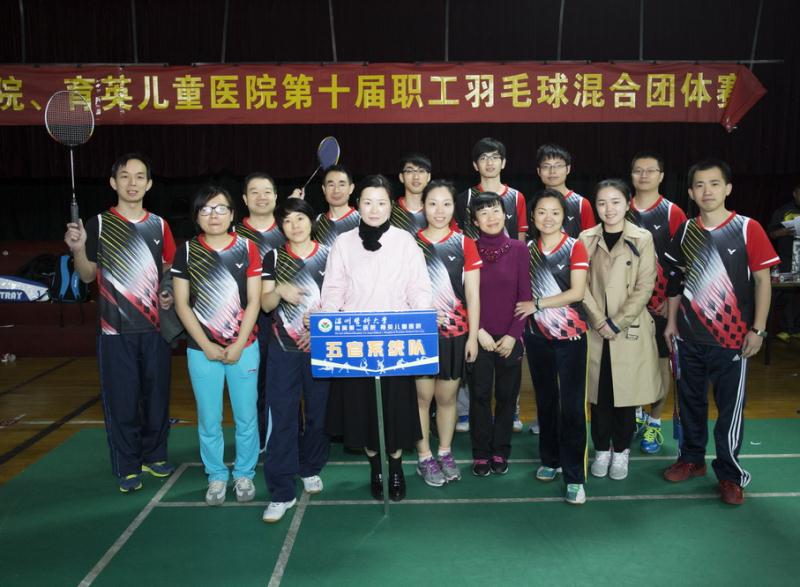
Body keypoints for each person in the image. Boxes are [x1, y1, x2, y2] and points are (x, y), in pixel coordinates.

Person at [663, 159, 779, 505]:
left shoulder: (747, 228)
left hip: (732, 340)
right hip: (688, 337)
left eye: (714, 183)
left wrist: (758, 329)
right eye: (699, 185)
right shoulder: (686, 230)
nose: (707, 191)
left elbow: (763, 282)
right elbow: (675, 281)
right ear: (690, 192)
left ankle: (729, 474)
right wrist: (671, 323)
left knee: (729, 409)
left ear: (728, 188)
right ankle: (692, 459)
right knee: (690, 402)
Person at [63, 153, 175, 493]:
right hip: (114, 331)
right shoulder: (97, 224)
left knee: (157, 398)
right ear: (113, 183)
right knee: (122, 400)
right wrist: (78, 249)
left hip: (155, 329)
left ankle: (155, 454)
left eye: (139, 176)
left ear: (149, 184)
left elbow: (168, 269)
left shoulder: (159, 225)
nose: (132, 183)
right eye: (125, 176)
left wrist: (167, 291)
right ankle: (127, 465)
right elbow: (87, 275)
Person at [322, 175, 433, 502]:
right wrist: (328, 318)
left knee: (395, 409)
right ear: (358, 205)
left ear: (390, 206)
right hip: (356, 344)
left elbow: (418, 287)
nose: (374, 209)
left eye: (381, 202)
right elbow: (333, 289)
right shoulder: (343, 243)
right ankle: (376, 468)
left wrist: (422, 318)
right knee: (363, 412)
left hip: (396, 342)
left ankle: (395, 467)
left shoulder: (405, 241)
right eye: (368, 202)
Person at [172, 186, 262, 506]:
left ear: (232, 214)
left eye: (221, 208)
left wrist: (238, 345)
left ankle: (244, 473)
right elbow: (182, 304)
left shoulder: (248, 248)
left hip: (244, 348)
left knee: (246, 417)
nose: (214, 215)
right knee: (209, 418)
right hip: (202, 351)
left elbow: (254, 302)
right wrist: (206, 345)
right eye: (206, 209)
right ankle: (216, 475)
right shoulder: (186, 251)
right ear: (196, 216)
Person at [580, 179, 660, 482]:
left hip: (628, 328)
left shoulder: (643, 238)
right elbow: (580, 285)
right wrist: (600, 320)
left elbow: (645, 286)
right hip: (596, 329)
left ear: (628, 203)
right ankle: (601, 450)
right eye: (602, 203)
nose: (608, 209)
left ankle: (622, 451)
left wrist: (616, 322)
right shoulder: (586, 238)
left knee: (626, 397)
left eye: (615, 202)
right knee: (599, 396)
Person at [515, 189, 589, 504]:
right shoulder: (526, 250)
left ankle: (575, 477)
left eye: (555, 212)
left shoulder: (575, 247)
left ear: (564, 216)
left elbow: (577, 292)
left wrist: (538, 303)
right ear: (532, 217)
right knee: (545, 402)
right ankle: (550, 459)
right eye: (542, 212)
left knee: (571, 408)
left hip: (571, 338)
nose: (548, 218)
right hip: (537, 338)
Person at [260, 198, 331, 522]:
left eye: (300, 218)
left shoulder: (329, 255)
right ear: (281, 226)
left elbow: (340, 299)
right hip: (283, 351)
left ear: (311, 221)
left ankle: (310, 467)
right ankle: (281, 491)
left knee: (318, 414)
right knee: (283, 417)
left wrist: (321, 323)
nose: (295, 226)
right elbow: (265, 304)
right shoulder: (274, 257)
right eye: (288, 221)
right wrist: (280, 291)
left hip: (320, 348)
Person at [453, 137, 527, 433]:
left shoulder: (517, 197)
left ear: (504, 162)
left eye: (495, 157)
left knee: (509, 368)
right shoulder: (464, 198)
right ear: (475, 165)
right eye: (483, 158)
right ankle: (465, 412)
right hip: (475, 274)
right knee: (475, 362)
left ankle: (514, 410)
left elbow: (520, 239)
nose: (490, 162)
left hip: (507, 276)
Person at [413, 180, 481, 486]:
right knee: (421, 398)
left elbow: (474, 295)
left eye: (446, 204)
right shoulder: (410, 244)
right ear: (423, 207)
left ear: (455, 207)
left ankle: (444, 451)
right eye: (432, 203)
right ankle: (424, 456)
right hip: (420, 335)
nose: (439, 211)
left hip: (455, 334)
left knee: (447, 397)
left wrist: (473, 336)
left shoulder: (465, 243)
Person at [627, 152, 688, 453]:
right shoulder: (620, 209)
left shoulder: (673, 212)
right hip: (629, 307)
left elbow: (683, 262)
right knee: (632, 365)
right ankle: (637, 414)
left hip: (662, 305)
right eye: (638, 170)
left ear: (661, 176)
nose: (644, 175)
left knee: (662, 366)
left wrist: (671, 300)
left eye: (651, 170)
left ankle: (654, 421)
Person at [467, 192, 531, 476]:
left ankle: (500, 451)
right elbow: (465, 296)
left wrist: (513, 335)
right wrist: (478, 330)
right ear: (474, 221)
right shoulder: (469, 248)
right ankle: (481, 453)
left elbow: (525, 295)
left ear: (505, 214)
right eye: (483, 213)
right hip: (478, 336)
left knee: (506, 397)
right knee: (480, 396)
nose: (491, 217)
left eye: (495, 210)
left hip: (509, 338)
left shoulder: (519, 249)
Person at [235, 172, 287, 451]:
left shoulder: (289, 229)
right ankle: (257, 438)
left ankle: (286, 436)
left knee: (286, 384)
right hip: (250, 321)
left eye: (267, 191)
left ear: (276, 197)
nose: (261, 197)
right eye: (254, 192)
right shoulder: (233, 236)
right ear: (244, 199)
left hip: (288, 321)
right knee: (254, 384)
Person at [534, 143, 596, 240]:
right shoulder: (534, 204)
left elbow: (591, 242)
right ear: (539, 171)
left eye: (558, 166)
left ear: (568, 169)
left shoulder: (581, 204)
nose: (552, 171)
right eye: (546, 166)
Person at [767, 183, 800, 341]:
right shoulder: (783, 211)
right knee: (784, 293)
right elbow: (771, 234)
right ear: (795, 193)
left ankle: (795, 328)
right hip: (786, 258)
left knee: (798, 295)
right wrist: (785, 231)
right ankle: (779, 328)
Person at [312, 164, 361, 248]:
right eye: (331, 185)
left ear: (351, 188)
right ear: (324, 189)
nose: (336, 190)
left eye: (341, 185)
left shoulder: (361, 221)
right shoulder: (316, 222)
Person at [391, 153, 431, 235]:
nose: (416, 177)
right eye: (409, 171)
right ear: (401, 177)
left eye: (421, 171)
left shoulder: (437, 211)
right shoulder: (390, 210)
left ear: (429, 177)